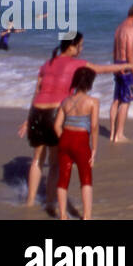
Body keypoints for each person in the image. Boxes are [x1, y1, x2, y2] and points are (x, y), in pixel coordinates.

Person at [19, 33, 133, 208]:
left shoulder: (46, 64)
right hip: (55, 113)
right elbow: (99, 69)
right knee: (55, 162)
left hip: (37, 112)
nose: (81, 49)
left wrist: (28, 121)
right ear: (72, 46)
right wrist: (128, 65)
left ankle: (29, 202)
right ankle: (50, 203)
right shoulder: (76, 64)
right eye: (80, 46)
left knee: (37, 159)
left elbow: (37, 93)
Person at [53, 67, 100, 220]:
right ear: (89, 83)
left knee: (63, 178)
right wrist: (94, 149)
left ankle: (63, 215)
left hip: (65, 139)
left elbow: (56, 126)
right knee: (86, 178)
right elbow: (93, 127)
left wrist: (64, 139)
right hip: (81, 142)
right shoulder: (93, 102)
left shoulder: (65, 101)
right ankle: (86, 216)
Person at [109, 3, 133, 143]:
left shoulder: (119, 28)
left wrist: (114, 66)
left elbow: (114, 50)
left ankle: (112, 132)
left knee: (116, 100)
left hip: (118, 64)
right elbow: (130, 52)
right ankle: (119, 134)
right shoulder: (131, 29)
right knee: (126, 101)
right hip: (127, 66)